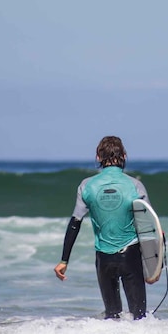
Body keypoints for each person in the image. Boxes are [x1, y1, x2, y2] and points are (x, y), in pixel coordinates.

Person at [54, 136, 152, 319]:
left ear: (98, 157)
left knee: (111, 317)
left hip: (103, 259)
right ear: (124, 155)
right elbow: (149, 226)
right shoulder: (135, 185)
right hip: (130, 256)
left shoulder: (86, 186)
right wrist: (155, 266)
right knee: (140, 318)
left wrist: (64, 261)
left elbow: (75, 223)